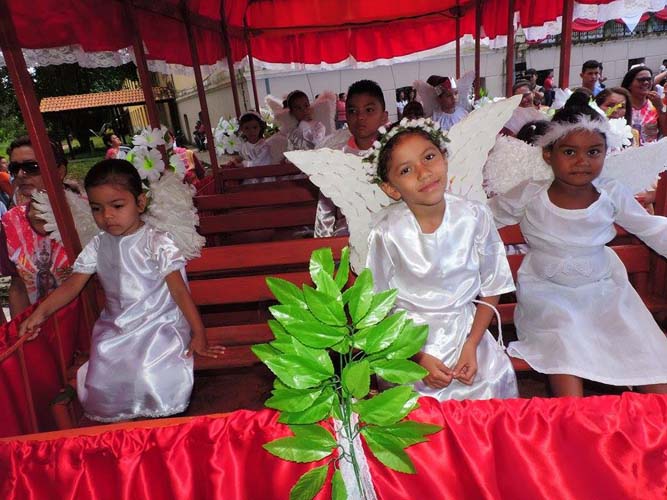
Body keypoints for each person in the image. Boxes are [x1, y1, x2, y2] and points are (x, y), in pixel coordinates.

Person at [489, 93, 667, 397]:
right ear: (548, 154)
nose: (582, 161)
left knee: (645, 350)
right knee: (564, 345)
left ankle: (654, 427)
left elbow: (651, 228)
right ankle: (573, 418)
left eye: (593, 152)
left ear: (605, 153)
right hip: (548, 294)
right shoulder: (531, 193)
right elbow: (482, 219)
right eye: (569, 152)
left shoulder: (610, 192)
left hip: (605, 291)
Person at [19, 159, 224, 422]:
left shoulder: (156, 241)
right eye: (97, 208)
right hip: (116, 328)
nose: (107, 216)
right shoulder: (98, 244)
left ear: (140, 203)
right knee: (103, 367)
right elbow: (73, 285)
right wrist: (40, 313)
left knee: (147, 369)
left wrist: (199, 334)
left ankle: (158, 418)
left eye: (117, 206)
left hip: (158, 325)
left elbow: (179, 292)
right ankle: (127, 424)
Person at [365, 118, 518, 401]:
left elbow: (493, 285)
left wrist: (472, 344)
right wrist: (417, 357)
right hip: (409, 340)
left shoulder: (474, 216)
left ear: (444, 158)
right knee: (416, 408)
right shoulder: (386, 232)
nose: (424, 173)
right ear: (391, 188)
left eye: (429, 157)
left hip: (468, 332)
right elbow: (376, 306)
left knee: (489, 384)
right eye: (406, 170)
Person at [0, 136, 72, 317]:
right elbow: (18, 286)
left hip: (89, 324)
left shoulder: (88, 213)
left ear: (59, 171)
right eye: (15, 168)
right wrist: (19, 335)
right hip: (40, 330)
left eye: (32, 167)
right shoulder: (10, 223)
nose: (21, 175)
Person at [314, 79, 388, 238]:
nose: (360, 117)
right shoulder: (335, 157)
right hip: (346, 237)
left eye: (369, 110)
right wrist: (324, 250)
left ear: (384, 117)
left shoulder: (395, 154)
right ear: (345, 116)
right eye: (353, 111)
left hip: (390, 234)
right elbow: (325, 212)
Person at [621, 66, 667, 144]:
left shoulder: (656, 104)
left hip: (650, 152)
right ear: (629, 84)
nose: (646, 83)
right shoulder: (620, 106)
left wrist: (660, 107)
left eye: (649, 79)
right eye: (641, 80)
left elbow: (665, 133)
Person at [233, 111, 273, 184]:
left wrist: (244, 164)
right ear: (242, 129)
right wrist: (236, 160)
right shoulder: (244, 145)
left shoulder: (264, 146)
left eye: (255, 127)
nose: (251, 131)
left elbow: (261, 164)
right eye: (247, 128)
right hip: (248, 177)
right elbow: (241, 156)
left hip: (263, 178)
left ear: (260, 127)